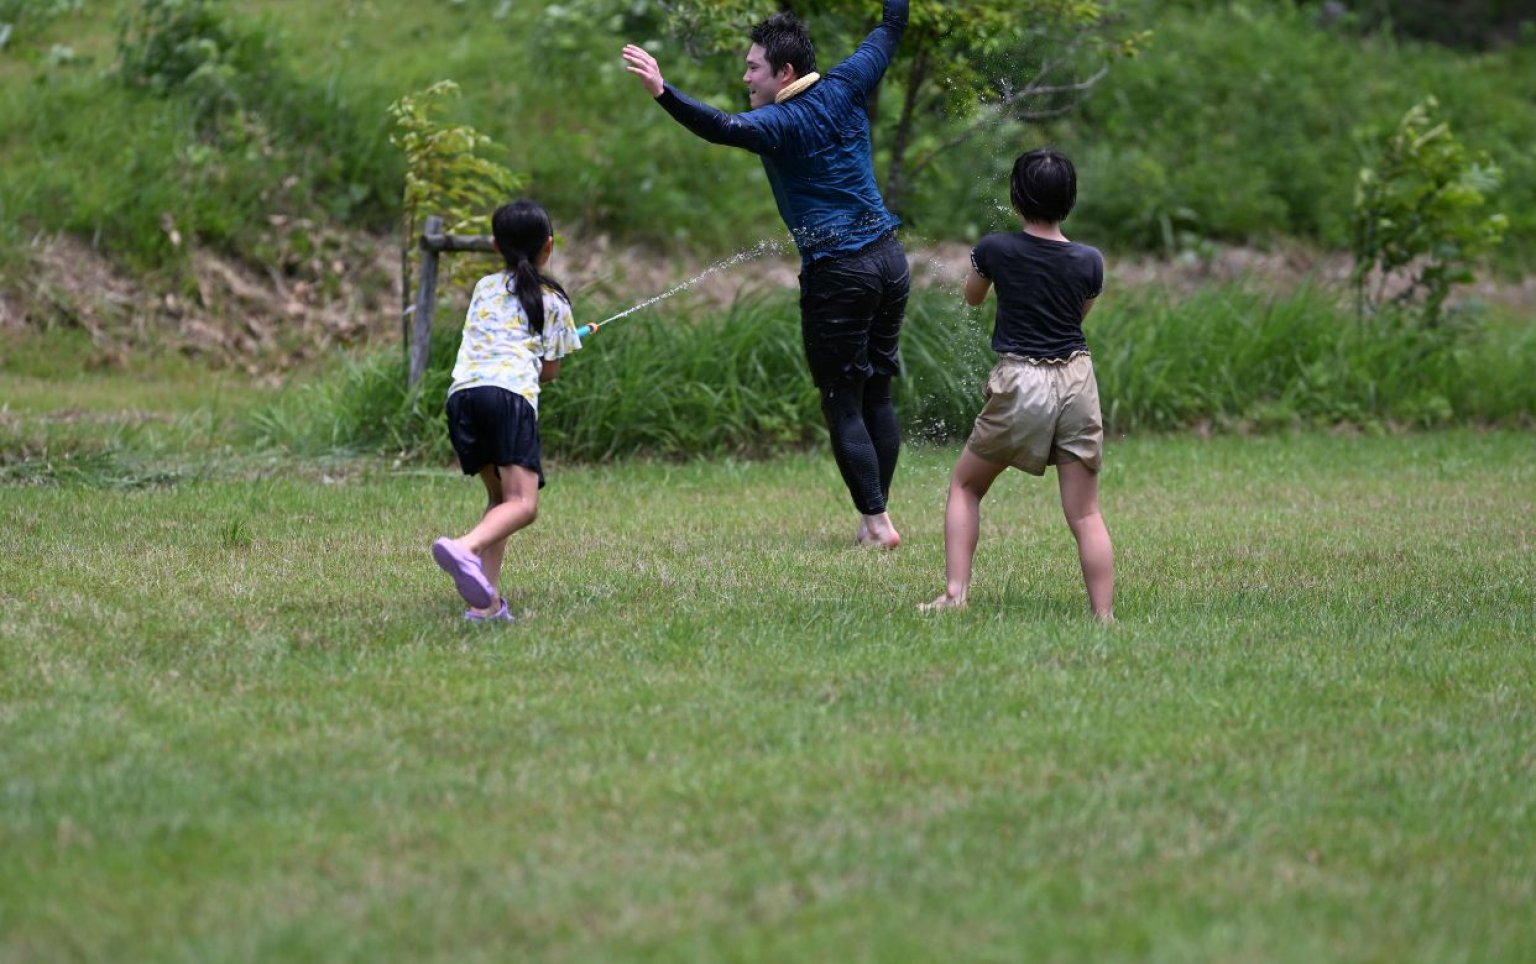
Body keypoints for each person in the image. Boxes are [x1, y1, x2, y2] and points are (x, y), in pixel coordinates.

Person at [622, 1, 911, 549]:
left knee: (842, 400)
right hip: (890, 262)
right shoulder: (849, 82)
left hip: (840, 275)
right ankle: (876, 515)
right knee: (877, 394)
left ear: (785, 72)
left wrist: (663, 91)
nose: (746, 77)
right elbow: (891, 26)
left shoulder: (781, 121)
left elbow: (721, 126)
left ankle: (876, 523)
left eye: (753, 67)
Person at [920, 149, 1115, 620]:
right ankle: (1104, 616)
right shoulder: (1090, 261)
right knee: (1085, 513)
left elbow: (972, 297)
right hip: (1077, 376)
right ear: (1070, 199)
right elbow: (1077, 315)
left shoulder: (996, 250)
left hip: (1022, 379)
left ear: (1016, 197)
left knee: (966, 485)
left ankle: (955, 595)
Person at [430, 199, 582, 622]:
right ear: (548, 245)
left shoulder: (484, 287)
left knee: (500, 499)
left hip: (463, 397)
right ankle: (464, 548)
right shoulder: (554, 301)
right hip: (507, 399)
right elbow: (549, 372)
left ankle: (486, 604)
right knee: (523, 505)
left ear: (496, 246)